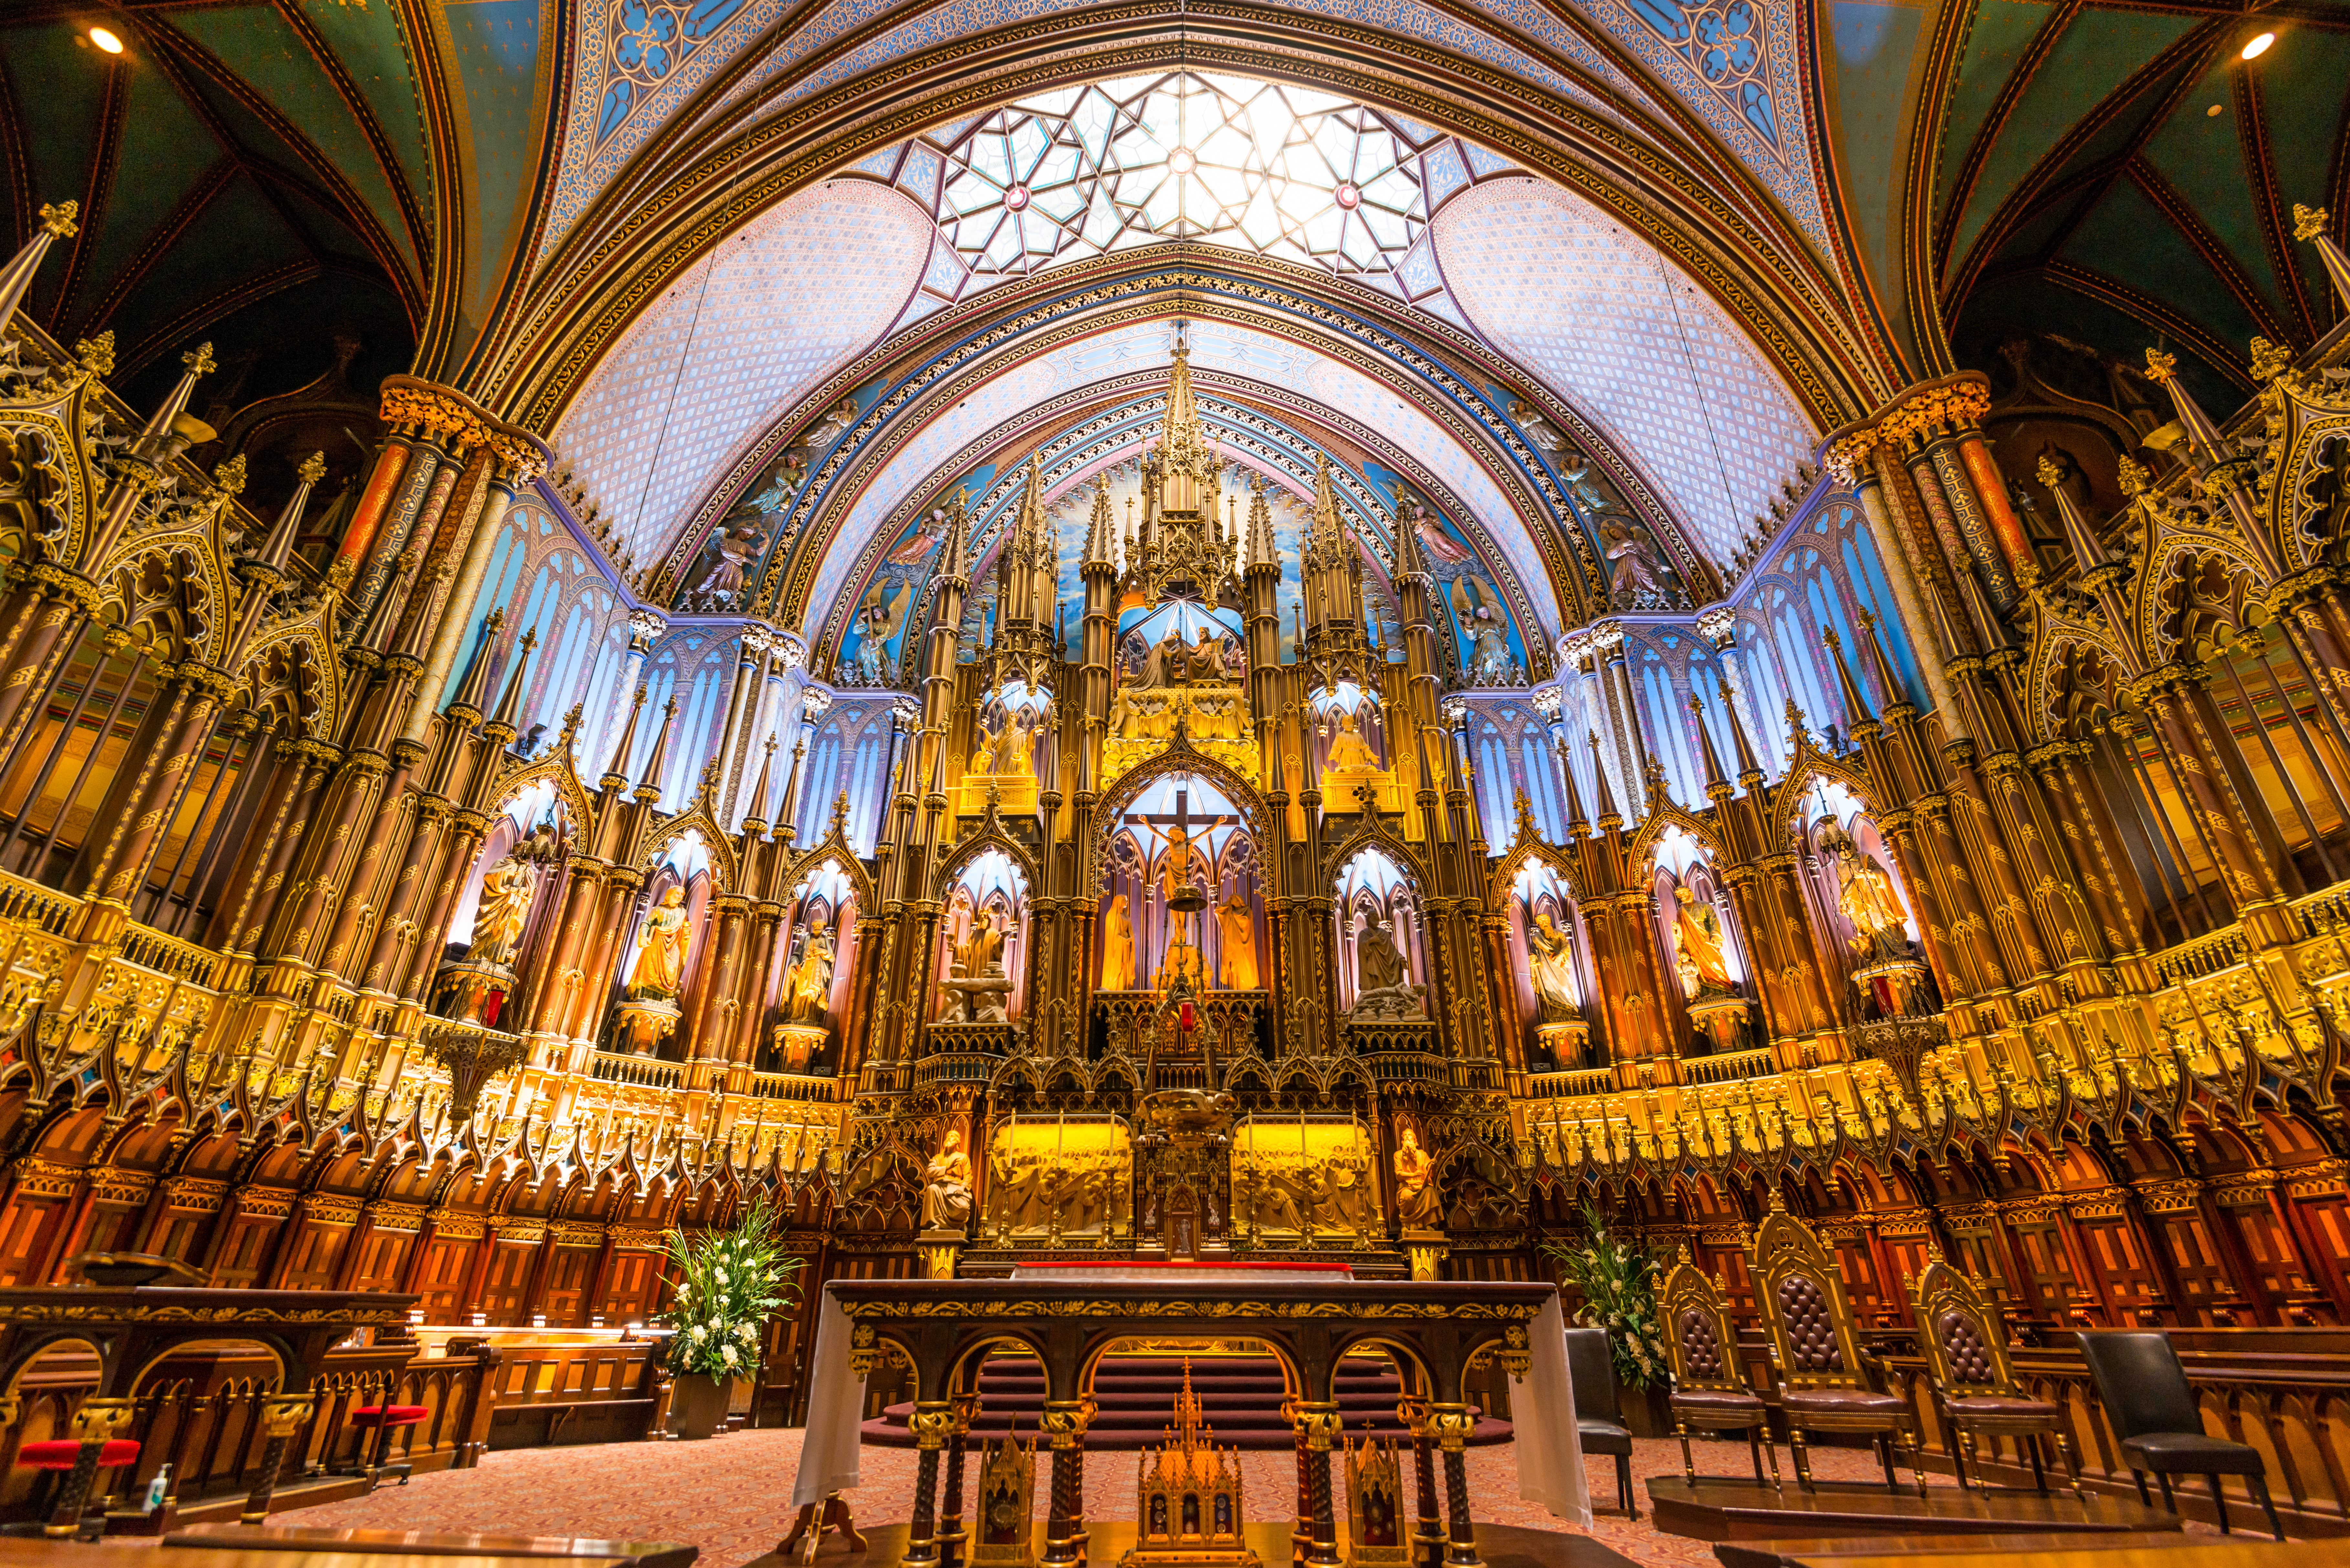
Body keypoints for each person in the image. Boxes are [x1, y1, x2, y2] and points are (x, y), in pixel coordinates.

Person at [469, 845, 537, 966]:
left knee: (507, 931)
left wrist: (524, 890)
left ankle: (498, 960)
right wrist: (508, 888)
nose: (523, 855)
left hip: (515, 906)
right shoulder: (503, 863)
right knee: (489, 929)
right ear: (515, 851)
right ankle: (480, 955)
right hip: (499, 902)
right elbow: (490, 877)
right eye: (521, 851)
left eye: (527, 853)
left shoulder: (528, 870)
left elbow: (532, 889)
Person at [625, 886, 692, 999]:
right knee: (649, 971)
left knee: (671, 973)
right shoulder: (659, 910)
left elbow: (685, 933)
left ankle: (665, 998)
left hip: (673, 947)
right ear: (670, 894)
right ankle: (643, 995)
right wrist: (643, 937)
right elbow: (646, 924)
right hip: (657, 944)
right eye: (677, 893)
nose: (680, 897)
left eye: (682, 895)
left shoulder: (683, 913)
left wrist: (686, 934)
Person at [1671, 884, 1736, 997]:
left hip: (1706, 939)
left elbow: (1713, 920)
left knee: (1714, 962)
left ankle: (1725, 989)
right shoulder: (1681, 911)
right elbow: (1681, 928)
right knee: (1699, 965)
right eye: (1680, 895)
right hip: (1691, 941)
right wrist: (1676, 927)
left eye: (1684, 893)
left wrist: (1715, 936)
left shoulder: (1704, 905)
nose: (1683, 896)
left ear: (1690, 893)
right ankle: (1709, 991)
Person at [1528, 909, 1577, 1021]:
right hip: (1545, 968)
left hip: (1559, 965)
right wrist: (1533, 975)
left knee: (1565, 987)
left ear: (1549, 921)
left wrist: (1561, 955)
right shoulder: (1536, 938)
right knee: (1549, 990)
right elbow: (1534, 954)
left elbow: (1566, 946)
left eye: (1545, 920)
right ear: (1539, 925)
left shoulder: (1559, 933)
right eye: (1541, 922)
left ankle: (1569, 1009)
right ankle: (1554, 1015)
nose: (1544, 923)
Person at [785, 917, 835, 1023]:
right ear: (812, 926)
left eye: (820, 926)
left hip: (818, 975)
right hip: (804, 972)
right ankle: (796, 1017)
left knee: (813, 999)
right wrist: (793, 966)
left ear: (823, 928)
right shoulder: (806, 938)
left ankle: (811, 1019)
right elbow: (796, 955)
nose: (818, 927)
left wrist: (823, 951)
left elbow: (832, 958)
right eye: (816, 925)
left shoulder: (825, 940)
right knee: (799, 996)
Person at [922, 1128, 972, 1230]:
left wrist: (963, 1187)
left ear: (958, 1142)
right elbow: (930, 1172)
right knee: (932, 1189)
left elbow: (968, 1175)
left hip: (956, 1186)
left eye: (953, 1136)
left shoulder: (963, 1157)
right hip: (940, 1185)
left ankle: (960, 1224)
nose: (949, 1138)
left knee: (963, 1207)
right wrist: (947, 1169)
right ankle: (937, 1223)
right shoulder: (939, 1157)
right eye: (948, 1137)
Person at [1393, 1124, 1441, 1228]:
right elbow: (1399, 1175)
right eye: (1405, 1136)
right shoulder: (1398, 1155)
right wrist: (1413, 1175)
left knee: (1430, 1192)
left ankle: (1428, 1224)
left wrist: (1434, 1165)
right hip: (1407, 1187)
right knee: (1407, 1197)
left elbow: (1431, 1174)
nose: (1407, 1137)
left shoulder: (1422, 1154)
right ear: (1402, 1141)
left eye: (1409, 1135)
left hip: (1422, 1187)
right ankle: (1406, 1225)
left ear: (1415, 1141)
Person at [1215, 891, 1257, 989]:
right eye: (1230, 899)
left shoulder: (1247, 911)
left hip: (1244, 946)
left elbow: (1246, 923)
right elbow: (1217, 911)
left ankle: (1245, 988)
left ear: (1239, 900)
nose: (1231, 900)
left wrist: (1234, 916)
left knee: (1243, 968)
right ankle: (1234, 988)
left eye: (1232, 899)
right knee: (1233, 967)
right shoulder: (1229, 911)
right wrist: (1228, 904)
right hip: (1233, 946)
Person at [1325, 708, 1379, 772]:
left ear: (1353, 723)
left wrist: (1372, 756)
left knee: (1360, 773)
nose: (1348, 722)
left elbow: (1365, 748)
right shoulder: (1340, 735)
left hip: (1358, 757)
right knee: (1348, 772)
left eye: (1350, 721)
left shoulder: (1359, 736)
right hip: (1346, 757)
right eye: (1346, 721)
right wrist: (1333, 754)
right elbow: (1335, 748)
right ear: (1343, 724)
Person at [1102, 892, 1137, 989]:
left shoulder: (1126, 916)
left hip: (1127, 946)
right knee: (1120, 967)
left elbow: (1130, 932)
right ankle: (1117, 988)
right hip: (1118, 947)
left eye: (1127, 900)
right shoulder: (1112, 915)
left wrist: (1130, 939)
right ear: (1118, 902)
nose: (1126, 902)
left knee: (1126, 968)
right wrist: (1123, 941)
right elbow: (1113, 935)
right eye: (1124, 900)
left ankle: (1124, 987)